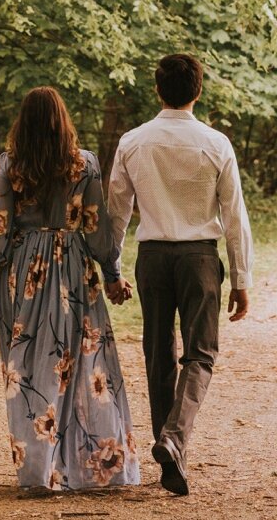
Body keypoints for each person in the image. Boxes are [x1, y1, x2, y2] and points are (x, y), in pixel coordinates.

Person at [0, 87, 140, 491]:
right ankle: (89, 464)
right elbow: (96, 228)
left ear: (24, 122)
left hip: (24, 272)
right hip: (72, 269)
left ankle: (39, 470)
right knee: (81, 363)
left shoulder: (11, 164)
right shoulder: (84, 166)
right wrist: (113, 274)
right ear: (63, 121)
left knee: (29, 366)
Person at [105, 53, 254, 496]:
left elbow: (117, 211)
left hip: (152, 257)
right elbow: (234, 214)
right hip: (199, 258)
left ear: (157, 90)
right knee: (201, 353)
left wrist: (111, 268)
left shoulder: (133, 142)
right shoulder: (215, 143)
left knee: (158, 352)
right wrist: (242, 280)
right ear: (199, 90)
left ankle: (169, 446)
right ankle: (174, 439)